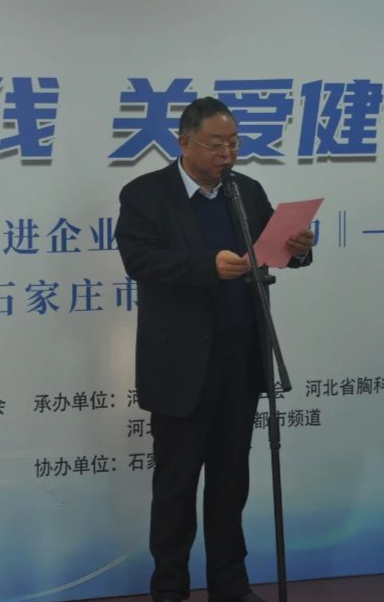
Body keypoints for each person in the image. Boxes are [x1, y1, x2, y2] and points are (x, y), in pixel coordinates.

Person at [115, 97, 313, 602]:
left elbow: (270, 252)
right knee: (176, 488)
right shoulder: (145, 194)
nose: (227, 154)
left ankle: (230, 585)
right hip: (180, 369)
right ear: (184, 143)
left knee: (231, 484)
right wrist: (207, 267)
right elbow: (140, 261)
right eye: (216, 145)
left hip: (240, 362)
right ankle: (169, 589)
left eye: (234, 144)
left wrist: (298, 249)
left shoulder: (246, 191)